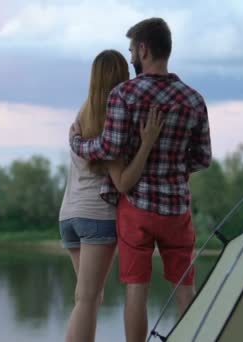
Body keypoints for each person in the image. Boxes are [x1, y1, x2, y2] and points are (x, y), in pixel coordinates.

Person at [69, 18, 212, 342]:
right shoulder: (193, 99)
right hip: (177, 210)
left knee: (137, 291)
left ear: (143, 50)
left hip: (137, 208)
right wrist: (174, 171)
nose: (132, 56)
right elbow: (202, 158)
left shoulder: (124, 95)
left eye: (132, 50)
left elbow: (108, 148)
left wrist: (78, 144)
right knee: (184, 288)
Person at [59, 49, 164, 342]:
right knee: (88, 299)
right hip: (97, 217)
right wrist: (146, 144)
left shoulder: (84, 112)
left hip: (69, 215)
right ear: (121, 78)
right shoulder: (111, 119)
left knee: (88, 297)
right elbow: (122, 183)